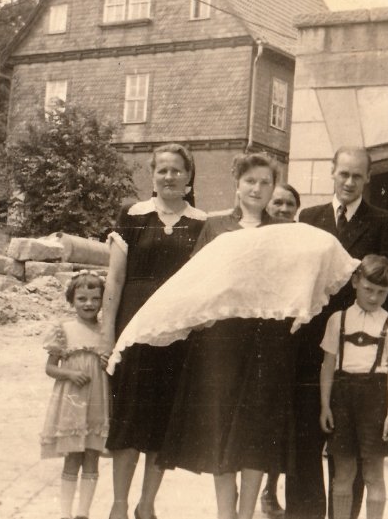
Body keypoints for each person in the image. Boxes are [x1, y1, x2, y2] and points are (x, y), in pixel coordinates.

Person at [157, 153, 292, 519]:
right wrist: (199, 317)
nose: (257, 189)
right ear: (237, 184)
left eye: (265, 182)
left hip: (265, 339)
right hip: (221, 341)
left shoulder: (282, 230)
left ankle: (245, 515)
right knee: (221, 426)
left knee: (255, 430)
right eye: (250, 181)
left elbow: (290, 282)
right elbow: (196, 278)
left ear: (273, 188)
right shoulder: (215, 226)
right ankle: (225, 514)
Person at [287, 146, 388, 519]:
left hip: (358, 351)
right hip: (312, 346)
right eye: (344, 174)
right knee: (306, 440)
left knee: (349, 450)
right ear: (332, 172)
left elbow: (387, 286)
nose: (349, 182)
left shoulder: (385, 222)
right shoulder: (309, 218)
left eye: (357, 175)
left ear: (368, 178)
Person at [102, 143, 207, 519]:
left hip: (177, 336)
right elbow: (115, 279)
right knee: (128, 419)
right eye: (162, 170)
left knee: (163, 423)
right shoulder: (132, 215)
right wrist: (107, 333)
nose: (169, 176)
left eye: (177, 170)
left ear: (189, 176)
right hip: (134, 331)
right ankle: (118, 504)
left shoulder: (201, 223)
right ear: (152, 175)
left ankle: (146, 505)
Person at [319, 255, 388, 519]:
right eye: (368, 289)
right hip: (342, 401)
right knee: (344, 473)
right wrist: (325, 406)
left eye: (381, 292)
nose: (373, 297)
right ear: (355, 282)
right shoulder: (338, 320)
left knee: (373, 474)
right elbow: (327, 365)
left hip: (375, 401)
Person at [40, 271, 109, 519]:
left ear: (103, 300)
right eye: (82, 299)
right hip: (72, 402)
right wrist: (69, 373)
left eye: (95, 298)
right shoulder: (64, 330)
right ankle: (65, 513)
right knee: (72, 458)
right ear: (72, 300)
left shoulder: (107, 332)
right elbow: (50, 368)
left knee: (92, 456)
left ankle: (83, 514)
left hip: (97, 402)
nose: (89, 304)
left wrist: (108, 362)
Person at [260, 182, 302, 517]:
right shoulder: (255, 236)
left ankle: (270, 488)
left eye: (290, 204)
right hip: (254, 333)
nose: (284, 209)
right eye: (278, 203)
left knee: (280, 418)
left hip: (289, 334)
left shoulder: (302, 242)